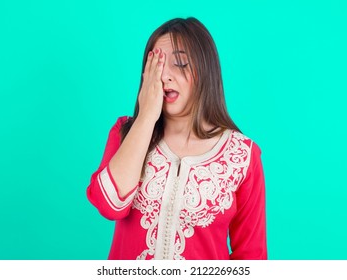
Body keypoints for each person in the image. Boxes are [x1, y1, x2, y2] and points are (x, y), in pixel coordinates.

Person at [86, 17, 267, 260]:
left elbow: (251, 255)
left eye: (180, 64)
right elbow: (110, 205)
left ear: (205, 70)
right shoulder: (125, 131)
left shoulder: (242, 155)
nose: (165, 76)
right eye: (156, 66)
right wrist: (147, 117)